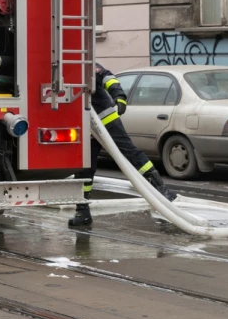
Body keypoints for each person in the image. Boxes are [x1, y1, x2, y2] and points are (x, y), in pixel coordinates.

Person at [70, 64, 177, 228]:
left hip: (106, 121)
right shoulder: (61, 69)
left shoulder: (86, 64)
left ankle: (161, 189)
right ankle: (82, 211)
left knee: (129, 152)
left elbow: (108, 78)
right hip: (85, 127)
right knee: (84, 168)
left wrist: (119, 97)